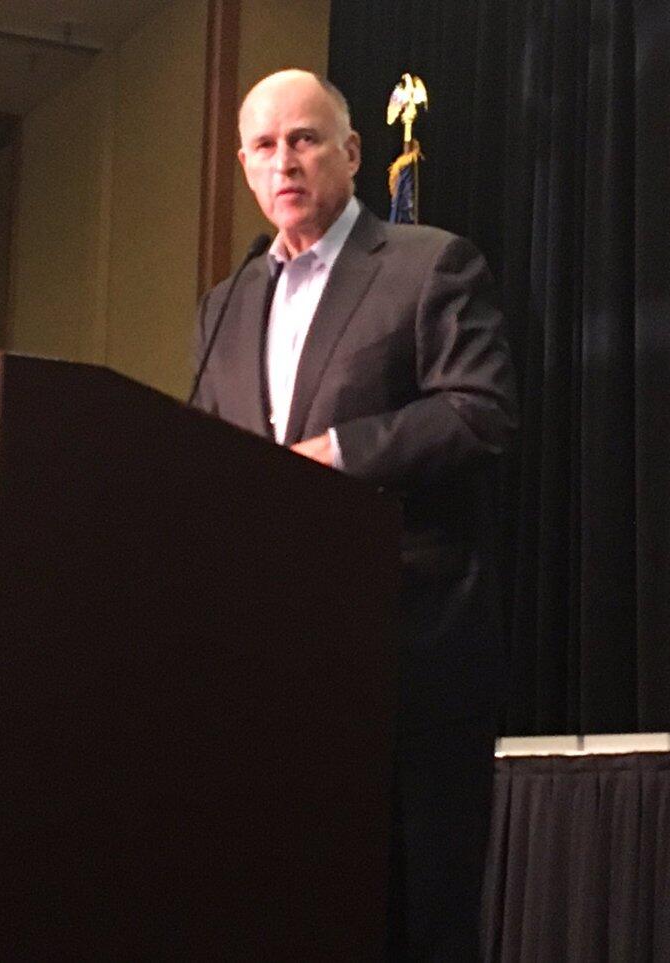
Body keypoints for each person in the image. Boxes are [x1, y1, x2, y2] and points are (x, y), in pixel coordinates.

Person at [191, 69, 517, 960]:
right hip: (274, 669)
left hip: (409, 654)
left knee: (416, 915)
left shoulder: (428, 264)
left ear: (351, 152)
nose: (285, 161)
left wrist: (331, 457)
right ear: (246, 168)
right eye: (265, 146)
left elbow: (478, 412)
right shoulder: (224, 308)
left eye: (304, 139)